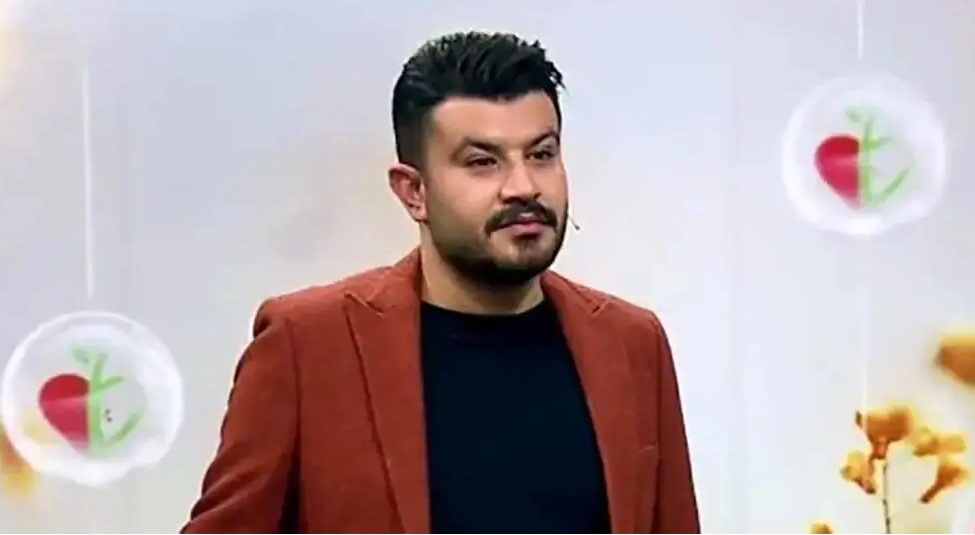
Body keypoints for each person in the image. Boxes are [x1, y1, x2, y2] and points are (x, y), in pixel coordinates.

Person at [181, 30, 700, 535]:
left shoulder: (632, 344)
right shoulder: (307, 345)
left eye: (541, 154)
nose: (523, 187)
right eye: (482, 162)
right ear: (413, 192)